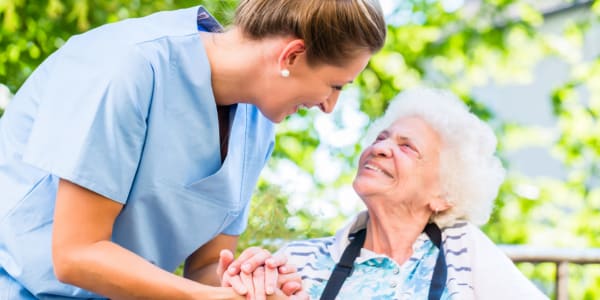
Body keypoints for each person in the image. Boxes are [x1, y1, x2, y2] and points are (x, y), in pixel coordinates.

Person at [0, 1, 386, 299]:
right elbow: (76, 255)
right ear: (291, 56)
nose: (329, 105)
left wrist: (249, 285)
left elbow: (202, 267)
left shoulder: (257, 126)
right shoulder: (127, 66)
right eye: (335, 85)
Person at [278, 88, 549, 299]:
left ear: (443, 195)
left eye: (407, 147)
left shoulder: (461, 249)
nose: (380, 148)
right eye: (380, 138)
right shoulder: (300, 260)